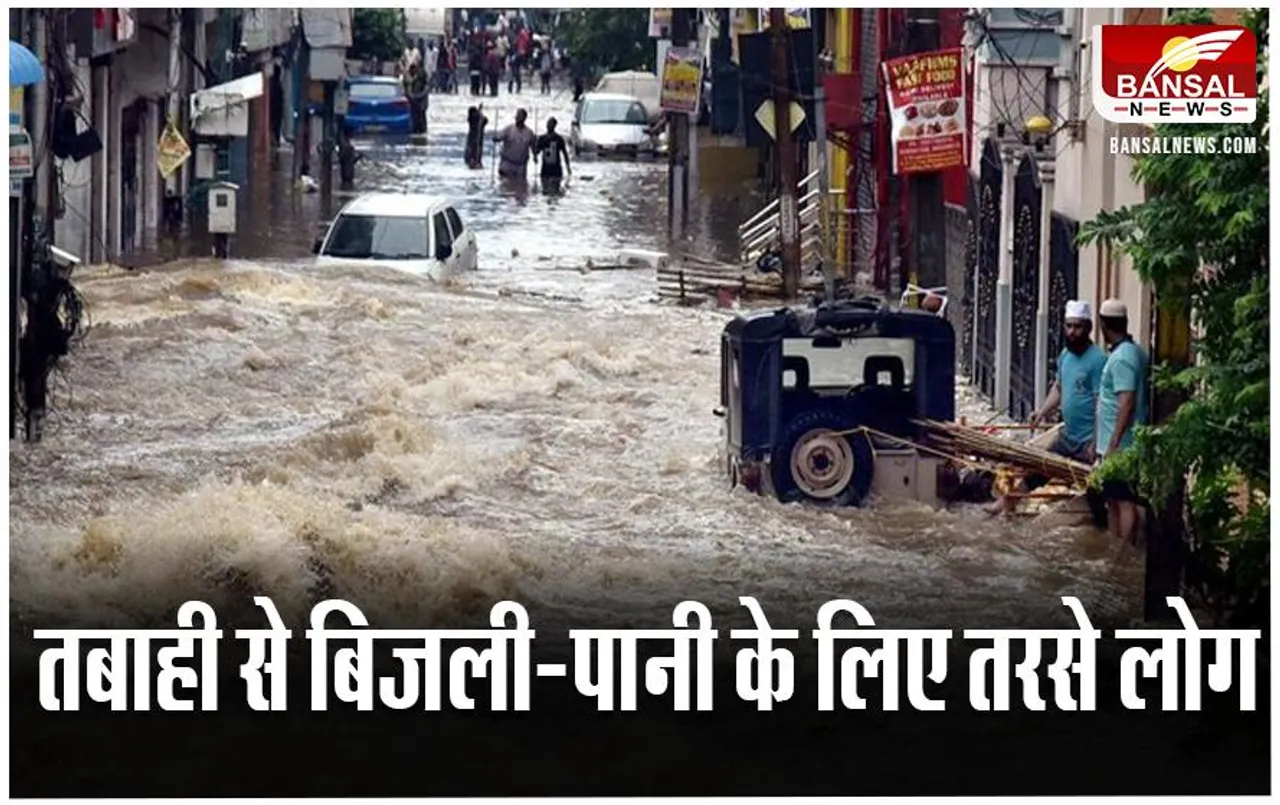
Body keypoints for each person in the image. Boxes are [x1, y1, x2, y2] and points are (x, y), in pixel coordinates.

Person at [985, 300, 1107, 517]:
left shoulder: (1098, 360)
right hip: (1067, 437)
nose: (1072, 332)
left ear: (1088, 327)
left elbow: (1101, 404)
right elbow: (1059, 388)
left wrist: (1096, 443)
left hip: (1087, 441)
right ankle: (1007, 502)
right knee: (1038, 468)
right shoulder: (1065, 356)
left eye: (1078, 326)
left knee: (1094, 489)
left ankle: (1103, 525)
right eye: (1069, 326)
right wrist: (1041, 412)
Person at [1094, 298, 1150, 544]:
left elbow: (1126, 403)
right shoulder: (1130, 352)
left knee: (1123, 501)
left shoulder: (1123, 358)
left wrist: (1114, 444)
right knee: (1114, 500)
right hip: (1115, 443)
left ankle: (1123, 550)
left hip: (1121, 446)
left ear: (1103, 325)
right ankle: (1116, 545)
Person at [493, 108, 538, 179]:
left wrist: (535, 156)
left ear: (524, 118)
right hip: (507, 163)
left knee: (520, 186)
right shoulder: (509, 129)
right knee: (505, 186)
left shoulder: (529, 132)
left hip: (521, 166)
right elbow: (500, 137)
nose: (517, 117)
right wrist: (496, 139)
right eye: (517, 115)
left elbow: (533, 146)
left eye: (519, 116)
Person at [533, 117, 571, 193]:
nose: (549, 126)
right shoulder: (542, 138)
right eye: (548, 124)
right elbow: (537, 151)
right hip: (545, 168)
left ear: (554, 126)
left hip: (556, 169)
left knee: (556, 190)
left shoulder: (559, 139)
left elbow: (565, 153)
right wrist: (535, 156)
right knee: (545, 190)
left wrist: (568, 167)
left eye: (551, 124)